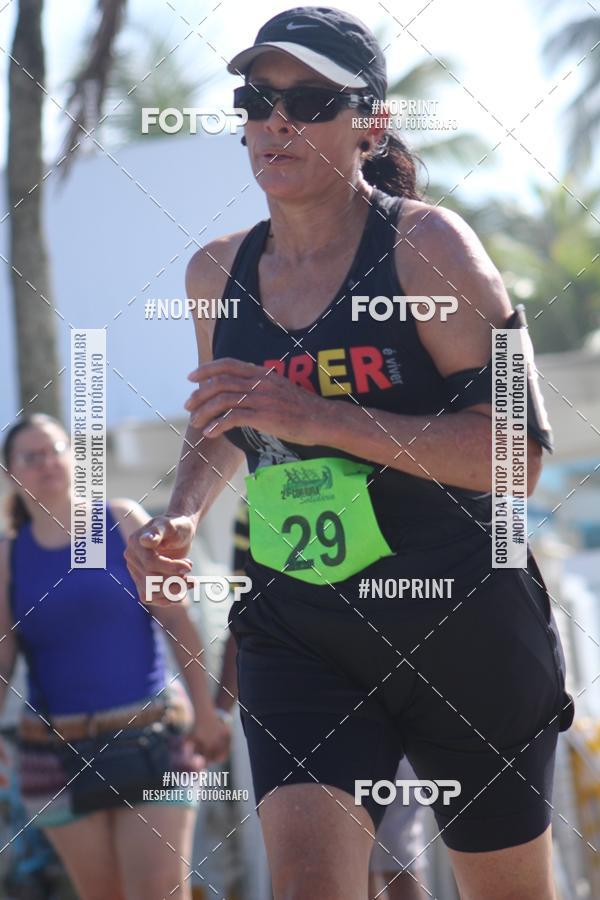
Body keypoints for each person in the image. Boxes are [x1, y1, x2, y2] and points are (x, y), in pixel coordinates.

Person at [126, 7, 575, 899]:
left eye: (310, 99)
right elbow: (226, 418)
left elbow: (518, 456)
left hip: (462, 621)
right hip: (304, 628)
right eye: (257, 99)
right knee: (305, 884)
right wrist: (182, 511)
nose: (275, 120)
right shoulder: (214, 272)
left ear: (369, 123)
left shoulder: (429, 247)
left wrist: (324, 417)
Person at [0, 414, 231, 900]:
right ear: (11, 475)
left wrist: (207, 714)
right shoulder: (8, 557)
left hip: (152, 738)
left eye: (57, 449)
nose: (48, 463)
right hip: (53, 754)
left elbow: (177, 620)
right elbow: (3, 655)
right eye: (31, 456)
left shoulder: (123, 519)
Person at [218, 500, 430, 900]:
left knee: (396, 845)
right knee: (337, 849)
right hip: (311, 686)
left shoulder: (392, 464)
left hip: (396, 675)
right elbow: (244, 609)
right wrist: (217, 708)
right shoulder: (257, 496)